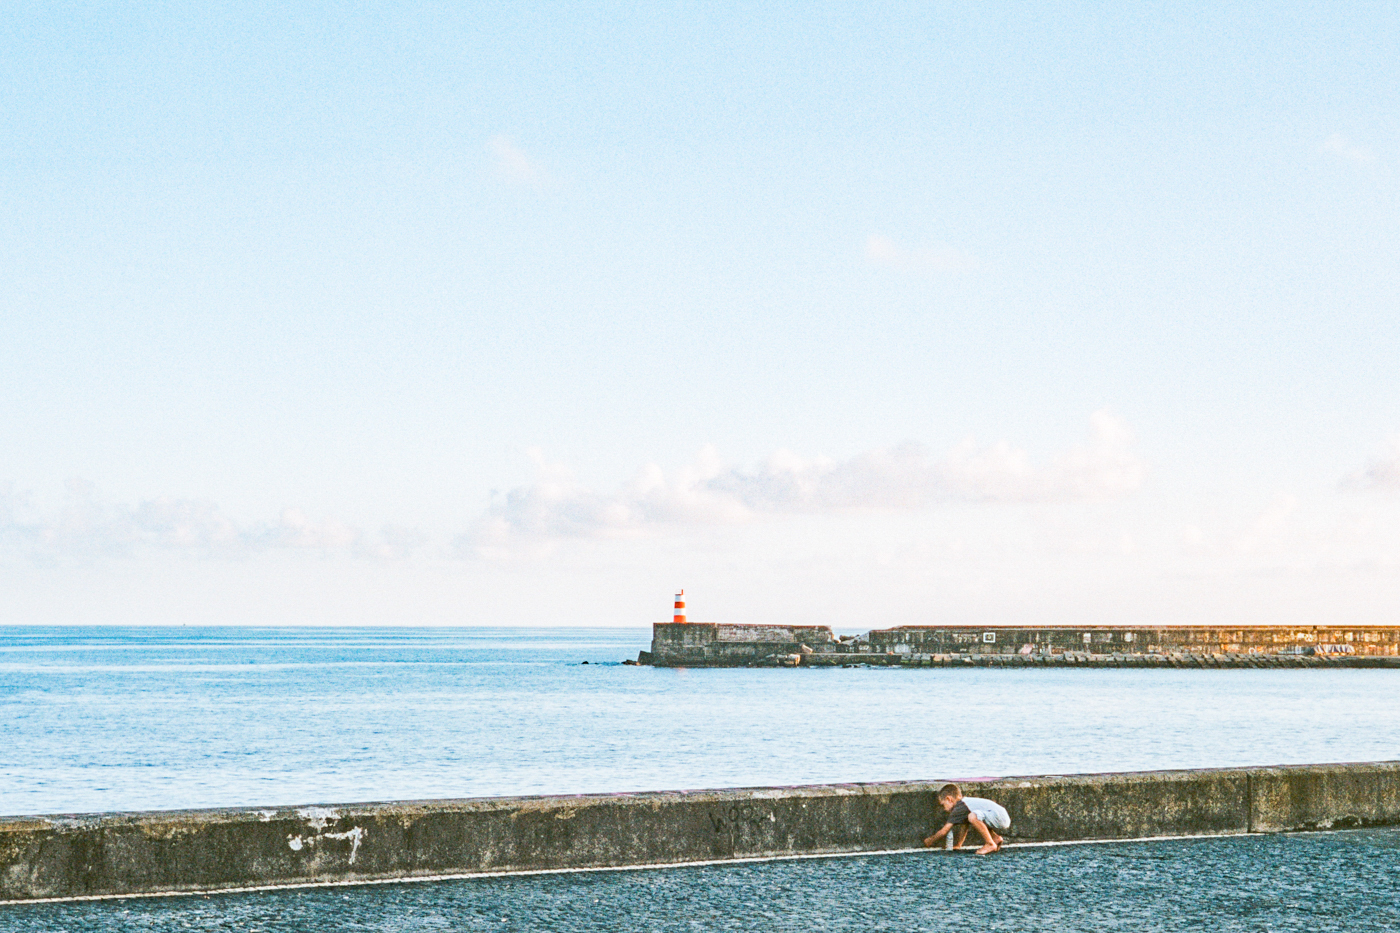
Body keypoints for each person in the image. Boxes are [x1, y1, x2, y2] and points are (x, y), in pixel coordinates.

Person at [922, 783, 1010, 855]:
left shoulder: (959, 807)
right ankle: (995, 838)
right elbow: (965, 826)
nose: (944, 809)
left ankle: (990, 844)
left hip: (998, 816)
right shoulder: (966, 805)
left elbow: (944, 831)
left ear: (949, 799)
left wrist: (930, 840)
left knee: (973, 816)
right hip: (1000, 815)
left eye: (943, 805)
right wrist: (958, 845)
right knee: (973, 818)